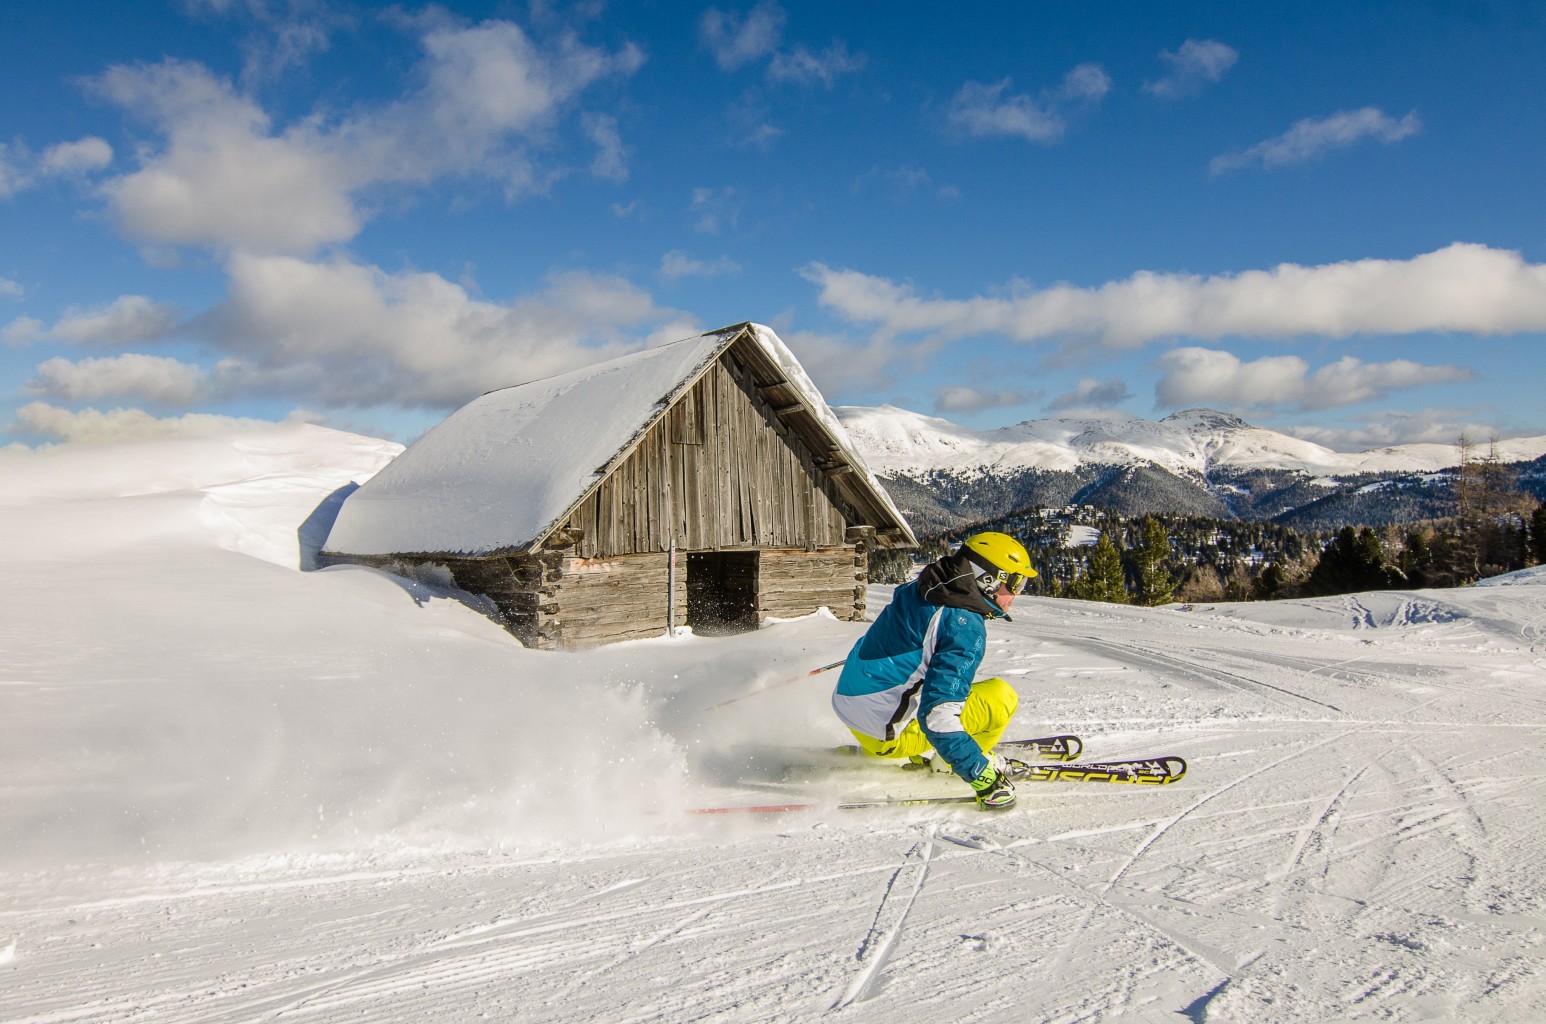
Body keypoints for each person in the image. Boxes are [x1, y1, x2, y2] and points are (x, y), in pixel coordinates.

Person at [831, 531, 1036, 810]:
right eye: (1015, 582)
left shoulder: (923, 588)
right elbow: (937, 717)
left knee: (943, 691)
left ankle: (898, 747)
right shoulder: (963, 626)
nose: (1016, 594)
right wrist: (983, 778)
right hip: (886, 734)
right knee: (1000, 697)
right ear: (988, 579)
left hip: (852, 706)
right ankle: (949, 765)